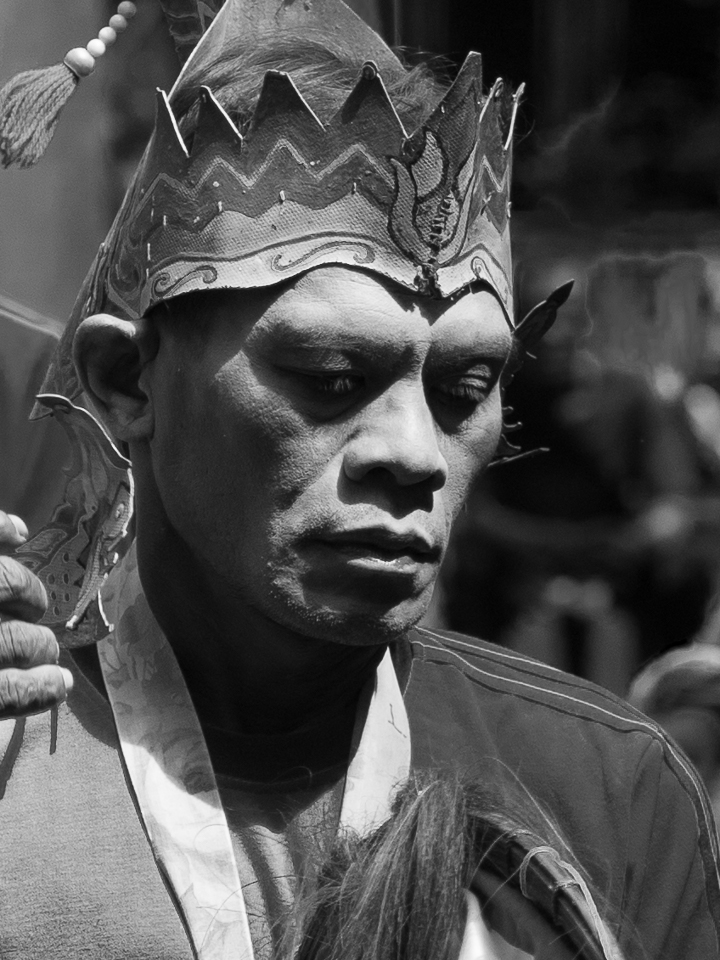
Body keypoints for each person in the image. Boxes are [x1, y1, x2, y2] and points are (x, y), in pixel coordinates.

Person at [0, 1, 718, 958]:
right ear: (129, 382)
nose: (416, 453)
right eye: (333, 377)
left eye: (467, 389)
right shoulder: (19, 755)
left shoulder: (605, 793)